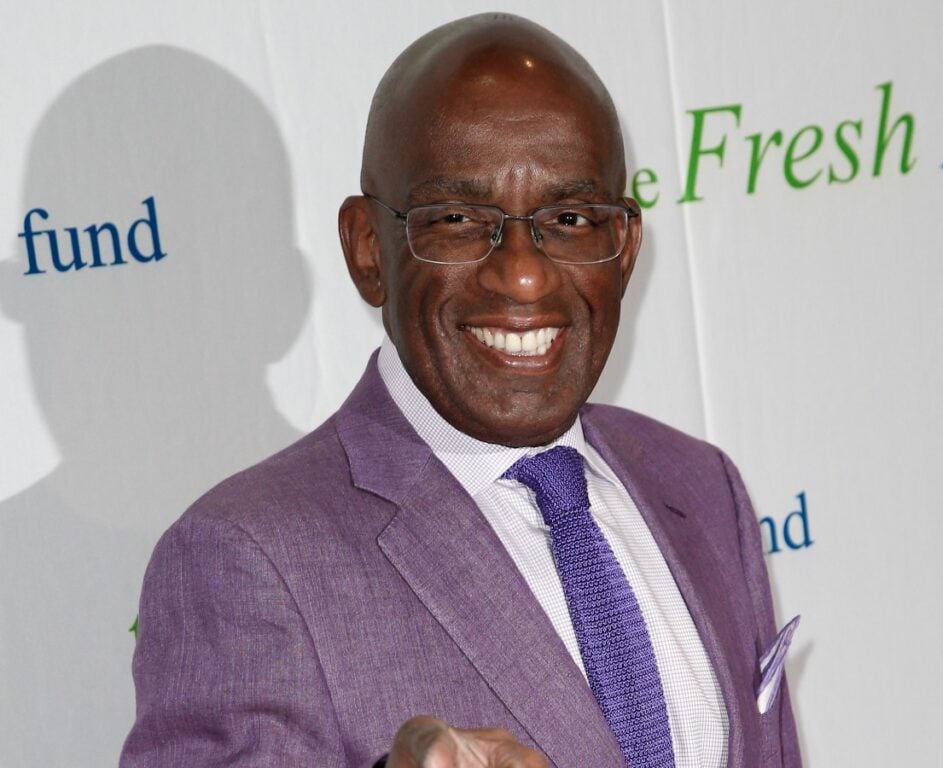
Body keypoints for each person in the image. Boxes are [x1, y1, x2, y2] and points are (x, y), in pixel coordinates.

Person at [121, 12, 801, 768]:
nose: (522, 273)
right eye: (457, 219)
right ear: (368, 250)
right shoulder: (246, 560)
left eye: (571, 217)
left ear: (625, 246)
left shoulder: (700, 488)